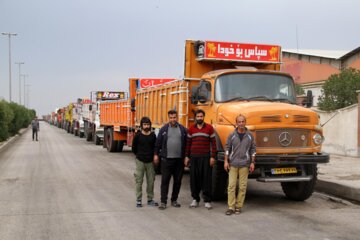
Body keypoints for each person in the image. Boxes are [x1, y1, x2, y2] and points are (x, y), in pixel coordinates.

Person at [154, 110, 187, 210]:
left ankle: (174, 200)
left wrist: (186, 156)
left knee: (177, 181)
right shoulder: (163, 129)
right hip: (166, 160)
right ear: (168, 118)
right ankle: (163, 202)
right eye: (171, 118)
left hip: (179, 160)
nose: (173, 119)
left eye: (174, 117)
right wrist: (156, 155)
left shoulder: (183, 129)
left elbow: (186, 144)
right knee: (165, 181)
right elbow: (158, 143)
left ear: (177, 118)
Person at [224, 114, 256, 215]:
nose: (241, 123)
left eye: (243, 121)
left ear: (245, 122)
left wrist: (252, 162)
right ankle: (231, 207)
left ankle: (238, 206)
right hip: (233, 164)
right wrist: (226, 161)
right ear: (236, 123)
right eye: (239, 122)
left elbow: (253, 150)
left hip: (244, 164)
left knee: (242, 187)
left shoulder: (250, 136)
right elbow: (227, 149)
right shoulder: (232, 135)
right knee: (231, 186)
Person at [184, 109, 216, 210]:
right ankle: (195, 199)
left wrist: (212, 157)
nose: (199, 118)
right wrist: (186, 156)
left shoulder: (209, 128)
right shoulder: (191, 129)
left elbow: (214, 144)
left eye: (201, 116)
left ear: (204, 117)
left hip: (206, 157)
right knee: (194, 179)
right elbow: (188, 144)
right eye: (198, 117)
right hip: (194, 158)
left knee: (206, 179)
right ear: (195, 118)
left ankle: (207, 201)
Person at [132, 117, 158, 208]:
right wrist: (139, 155)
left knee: (151, 181)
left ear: (150, 125)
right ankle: (138, 200)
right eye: (144, 125)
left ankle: (150, 199)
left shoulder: (153, 136)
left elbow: (155, 147)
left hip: (150, 162)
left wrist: (154, 156)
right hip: (140, 161)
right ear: (141, 126)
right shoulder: (138, 136)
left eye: (148, 125)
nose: (146, 126)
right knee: (139, 181)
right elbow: (134, 148)